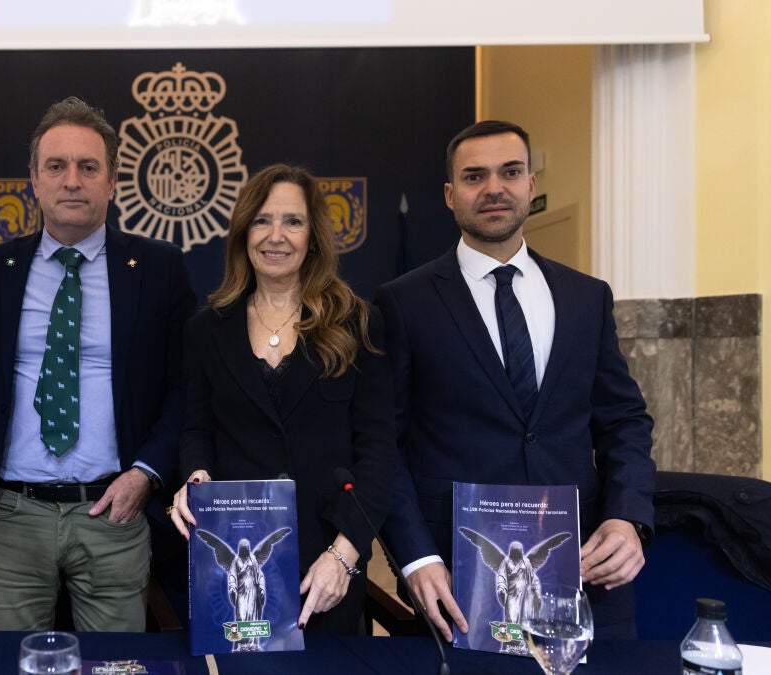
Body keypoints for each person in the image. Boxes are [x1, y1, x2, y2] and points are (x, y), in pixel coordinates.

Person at [373, 120, 656, 641]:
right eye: (474, 176)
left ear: (530, 184)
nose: (494, 188)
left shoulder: (587, 297)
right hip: (455, 579)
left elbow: (624, 421)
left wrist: (627, 517)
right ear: (450, 195)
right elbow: (383, 443)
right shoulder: (403, 302)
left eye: (510, 172)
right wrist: (415, 557)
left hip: (585, 570)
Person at [0, 96, 196, 631]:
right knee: (12, 665)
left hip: (114, 511)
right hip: (11, 516)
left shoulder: (158, 269)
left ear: (112, 182)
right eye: (56, 166)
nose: (72, 181)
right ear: (33, 180)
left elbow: (186, 388)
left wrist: (146, 473)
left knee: (116, 666)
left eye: (88, 167)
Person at [169, 164, 396, 634]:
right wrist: (196, 473)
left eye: (293, 221)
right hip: (239, 554)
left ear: (313, 237)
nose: (276, 236)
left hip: (329, 563)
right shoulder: (205, 331)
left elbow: (378, 453)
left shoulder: (358, 322)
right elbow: (197, 429)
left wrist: (345, 554)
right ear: (243, 233)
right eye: (262, 220)